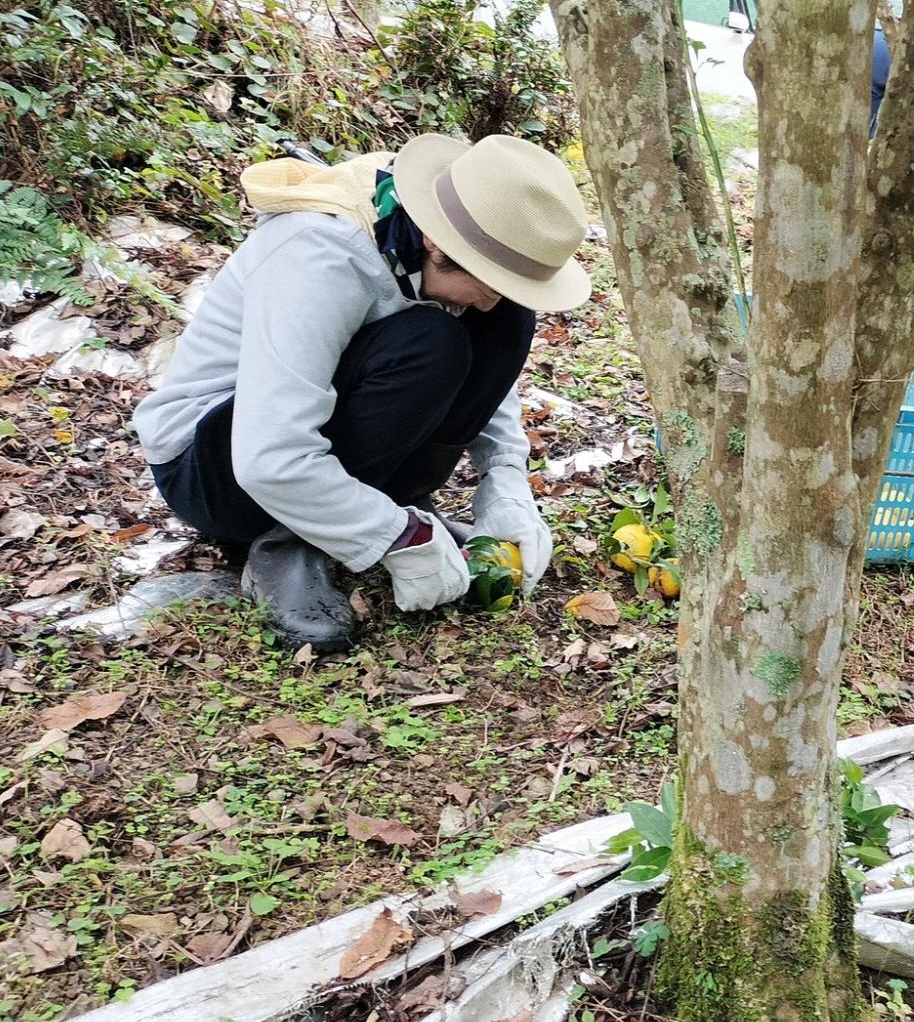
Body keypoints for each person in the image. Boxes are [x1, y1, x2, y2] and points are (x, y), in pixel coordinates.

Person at [133, 134, 591, 653]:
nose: (488, 303)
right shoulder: (320, 255)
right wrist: (396, 537)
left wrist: (504, 483)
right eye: (489, 281)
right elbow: (267, 456)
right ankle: (289, 541)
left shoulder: (419, 229)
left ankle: (371, 506)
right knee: (430, 342)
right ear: (438, 247)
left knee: (507, 320)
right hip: (217, 467)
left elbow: (488, 366)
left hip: (301, 446)